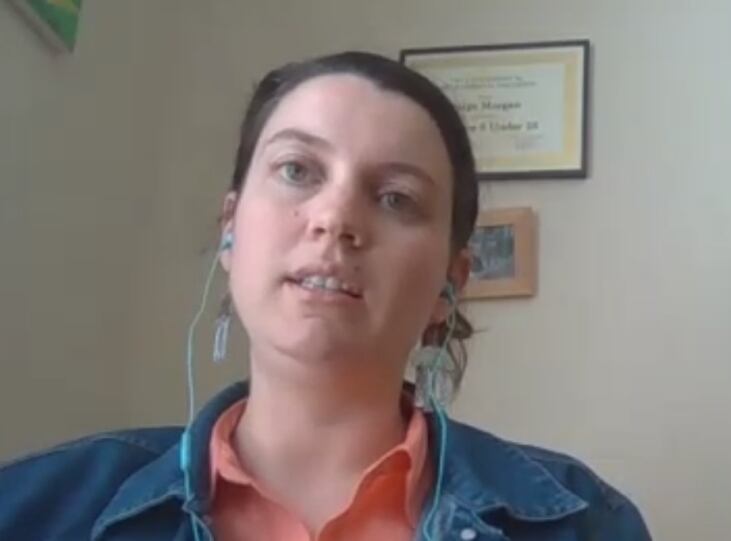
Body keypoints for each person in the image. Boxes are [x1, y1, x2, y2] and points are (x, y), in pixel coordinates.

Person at [0, 51, 651, 541]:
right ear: (231, 229)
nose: (335, 217)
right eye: (297, 170)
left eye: (396, 197)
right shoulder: (35, 508)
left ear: (450, 284)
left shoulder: (586, 521)